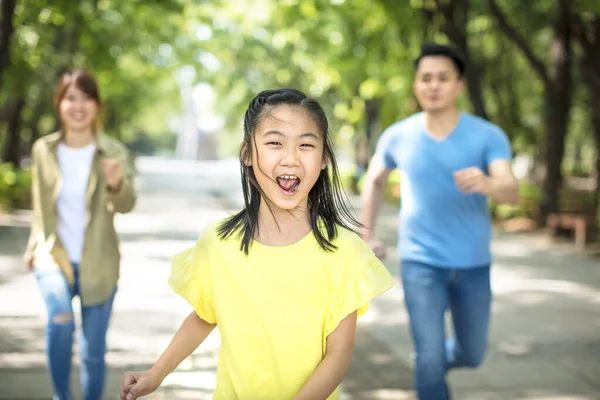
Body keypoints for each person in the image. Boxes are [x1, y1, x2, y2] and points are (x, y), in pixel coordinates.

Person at [120, 88, 395, 400]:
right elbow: (205, 315)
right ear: (247, 153)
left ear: (323, 159)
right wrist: (155, 374)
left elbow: (338, 358)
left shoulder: (345, 251)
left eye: (306, 145)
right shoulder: (218, 242)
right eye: (275, 143)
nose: (291, 158)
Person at [359, 43, 519, 400]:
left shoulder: (486, 135)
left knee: (471, 354)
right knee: (427, 356)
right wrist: (366, 234)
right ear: (416, 85)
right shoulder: (399, 134)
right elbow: (374, 179)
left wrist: (489, 183)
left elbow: (511, 190)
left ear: (459, 85)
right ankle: (428, 369)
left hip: (473, 264)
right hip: (420, 263)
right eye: (426, 78)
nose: (433, 85)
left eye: (443, 78)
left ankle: (429, 368)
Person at [23, 68, 136, 400]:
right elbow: (39, 206)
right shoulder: (44, 150)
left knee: (92, 351)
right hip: (52, 255)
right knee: (60, 319)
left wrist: (117, 183)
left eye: (87, 98)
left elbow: (128, 204)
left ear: (97, 105)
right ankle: (61, 396)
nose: (78, 105)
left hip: (98, 263)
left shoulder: (113, 152)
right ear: (59, 103)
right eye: (71, 97)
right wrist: (33, 244)